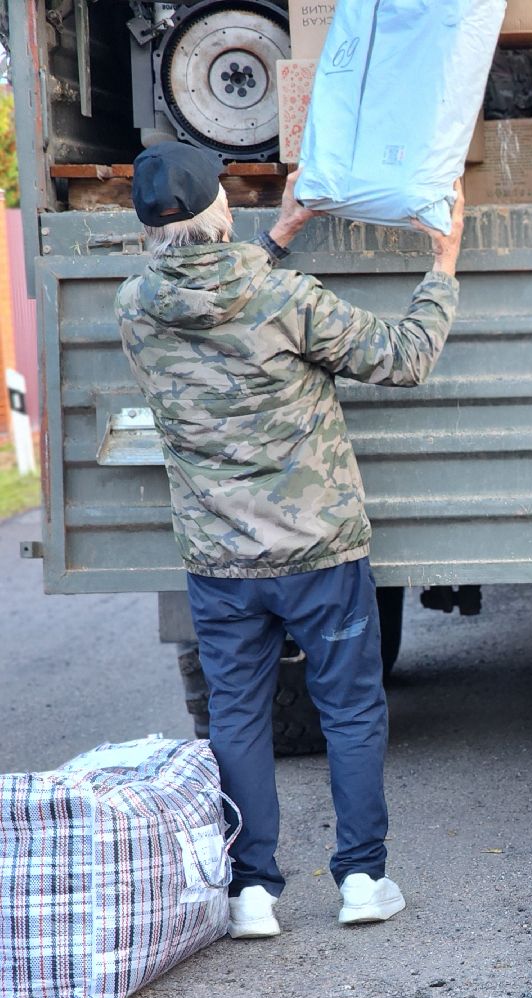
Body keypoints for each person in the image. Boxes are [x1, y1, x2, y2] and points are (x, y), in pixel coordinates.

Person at [115, 142, 465, 938]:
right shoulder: (287, 298)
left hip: (219, 564)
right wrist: (442, 265)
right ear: (221, 211)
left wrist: (281, 233)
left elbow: (213, 299)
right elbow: (405, 358)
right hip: (320, 555)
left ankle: (252, 894)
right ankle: (364, 880)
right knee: (349, 710)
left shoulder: (133, 307)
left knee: (235, 719)